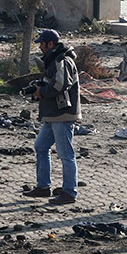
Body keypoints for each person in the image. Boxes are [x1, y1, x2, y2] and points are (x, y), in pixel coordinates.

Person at [22, 30, 81, 205]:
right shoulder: (54, 60)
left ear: (50, 44)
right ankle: (43, 187)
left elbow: (60, 85)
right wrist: (39, 87)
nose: (40, 46)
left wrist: (42, 91)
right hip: (52, 114)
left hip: (62, 113)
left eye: (42, 43)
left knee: (66, 154)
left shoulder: (61, 60)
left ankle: (69, 192)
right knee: (41, 146)